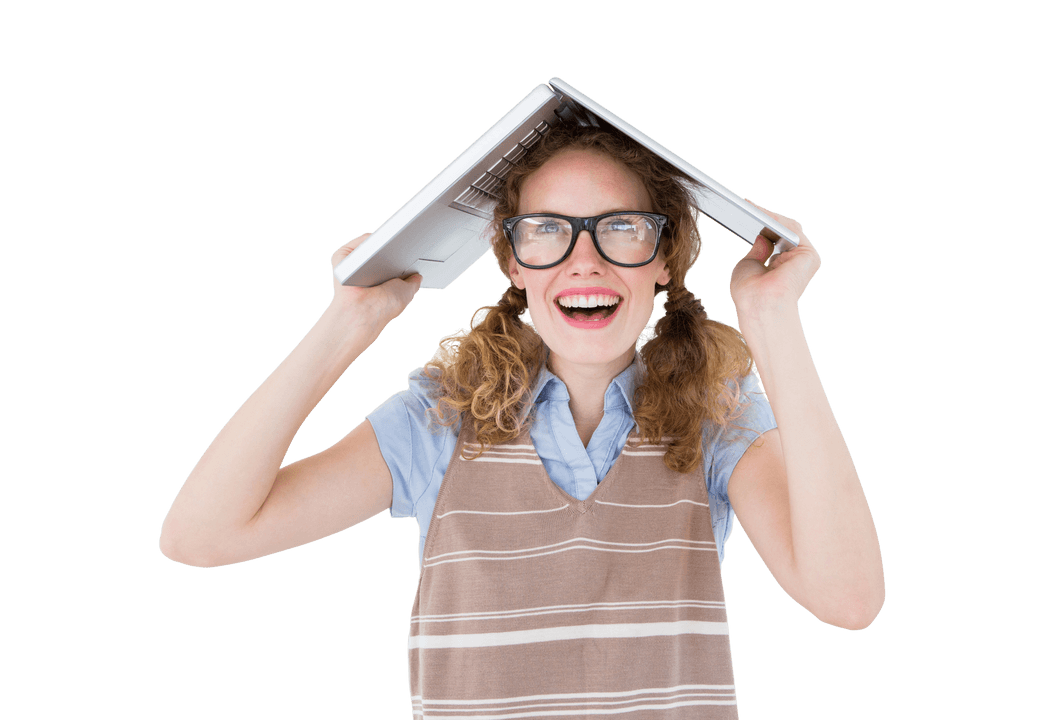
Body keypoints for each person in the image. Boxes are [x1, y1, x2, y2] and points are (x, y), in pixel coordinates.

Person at [159, 120, 885, 718]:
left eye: (622, 228)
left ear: (663, 256)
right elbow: (202, 536)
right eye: (547, 230)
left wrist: (772, 320)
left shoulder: (717, 417)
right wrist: (348, 323)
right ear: (511, 260)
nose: (585, 261)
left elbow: (848, 600)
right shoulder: (438, 422)